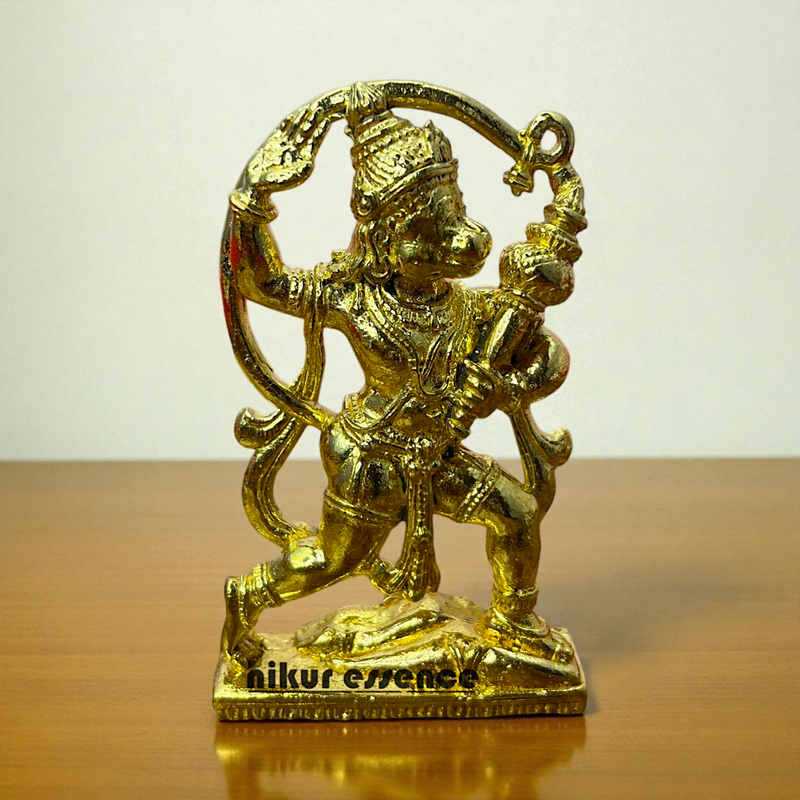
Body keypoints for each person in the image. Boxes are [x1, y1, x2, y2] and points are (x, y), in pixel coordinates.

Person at [221, 83, 585, 667]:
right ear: (384, 239)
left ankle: (515, 625)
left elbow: (550, 357)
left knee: (516, 512)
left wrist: (508, 389)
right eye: (429, 227)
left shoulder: (473, 308)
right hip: (373, 459)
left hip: (437, 457)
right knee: (335, 561)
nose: (457, 236)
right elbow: (261, 282)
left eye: (455, 214)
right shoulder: (353, 297)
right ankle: (248, 596)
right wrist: (253, 200)